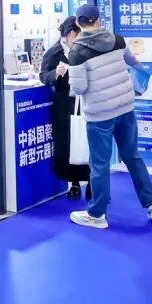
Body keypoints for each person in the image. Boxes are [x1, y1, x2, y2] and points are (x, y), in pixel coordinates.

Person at [67, 4, 152, 229]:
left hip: (99, 114)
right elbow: (134, 63)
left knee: (99, 164)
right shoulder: (117, 40)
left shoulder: (77, 51)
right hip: (125, 108)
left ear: (78, 23)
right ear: (98, 20)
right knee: (133, 157)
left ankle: (97, 214)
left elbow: (79, 88)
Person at [39, 16, 91, 200]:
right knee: (68, 145)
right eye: (77, 35)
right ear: (69, 34)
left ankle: (92, 182)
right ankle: (74, 183)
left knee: (88, 142)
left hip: (86, 102)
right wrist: (56, 73)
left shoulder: (85, 49)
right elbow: (43, 76)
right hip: (64, 106)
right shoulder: (54, 52)